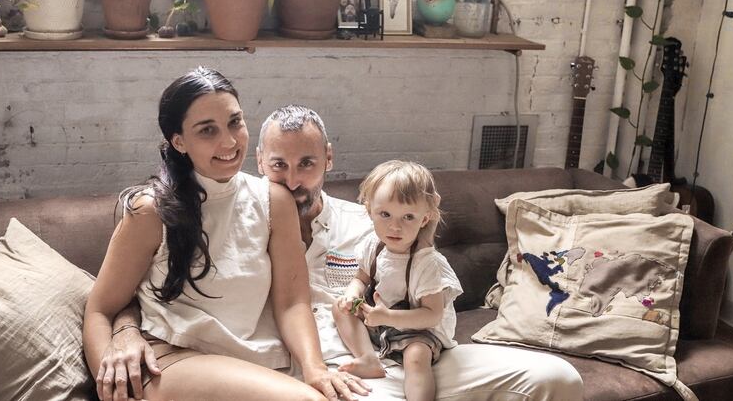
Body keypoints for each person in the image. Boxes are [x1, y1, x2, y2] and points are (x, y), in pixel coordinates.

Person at [101, 104, 584, 400]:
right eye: (279, 165)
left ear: (329, 157)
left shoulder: (375, 226)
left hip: (407, 354)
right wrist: (123, 331)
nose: (294, 180)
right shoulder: (230, 222)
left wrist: (408, 334)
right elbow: (138, 287)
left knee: (556, 378)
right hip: (328, 376)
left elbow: (434, 296)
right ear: (257, 162)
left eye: (307, 163)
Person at [82, 69, 369, 401]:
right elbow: (100, 309)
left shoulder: (274, 201)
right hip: (173, 359)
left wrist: (314, 368)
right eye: (207, 130)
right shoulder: (150, 211)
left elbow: (292, 303)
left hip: (255, 363)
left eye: (235, 122)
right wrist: (112, 381)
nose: (230, 142)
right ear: (179, 141)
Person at [333, 160, 463, 401]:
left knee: (416, 356)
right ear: (369, 210)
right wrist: (353, 294)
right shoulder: (373, 245)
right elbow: (361, 278)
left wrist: (388, 317)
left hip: (419, 329)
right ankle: (368, 358)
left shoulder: (427, 264)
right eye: (385, 214)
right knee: (339, 307)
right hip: (380, 320)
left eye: (408, 217)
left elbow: (431, 315)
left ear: (424, 219)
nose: (394, 226)